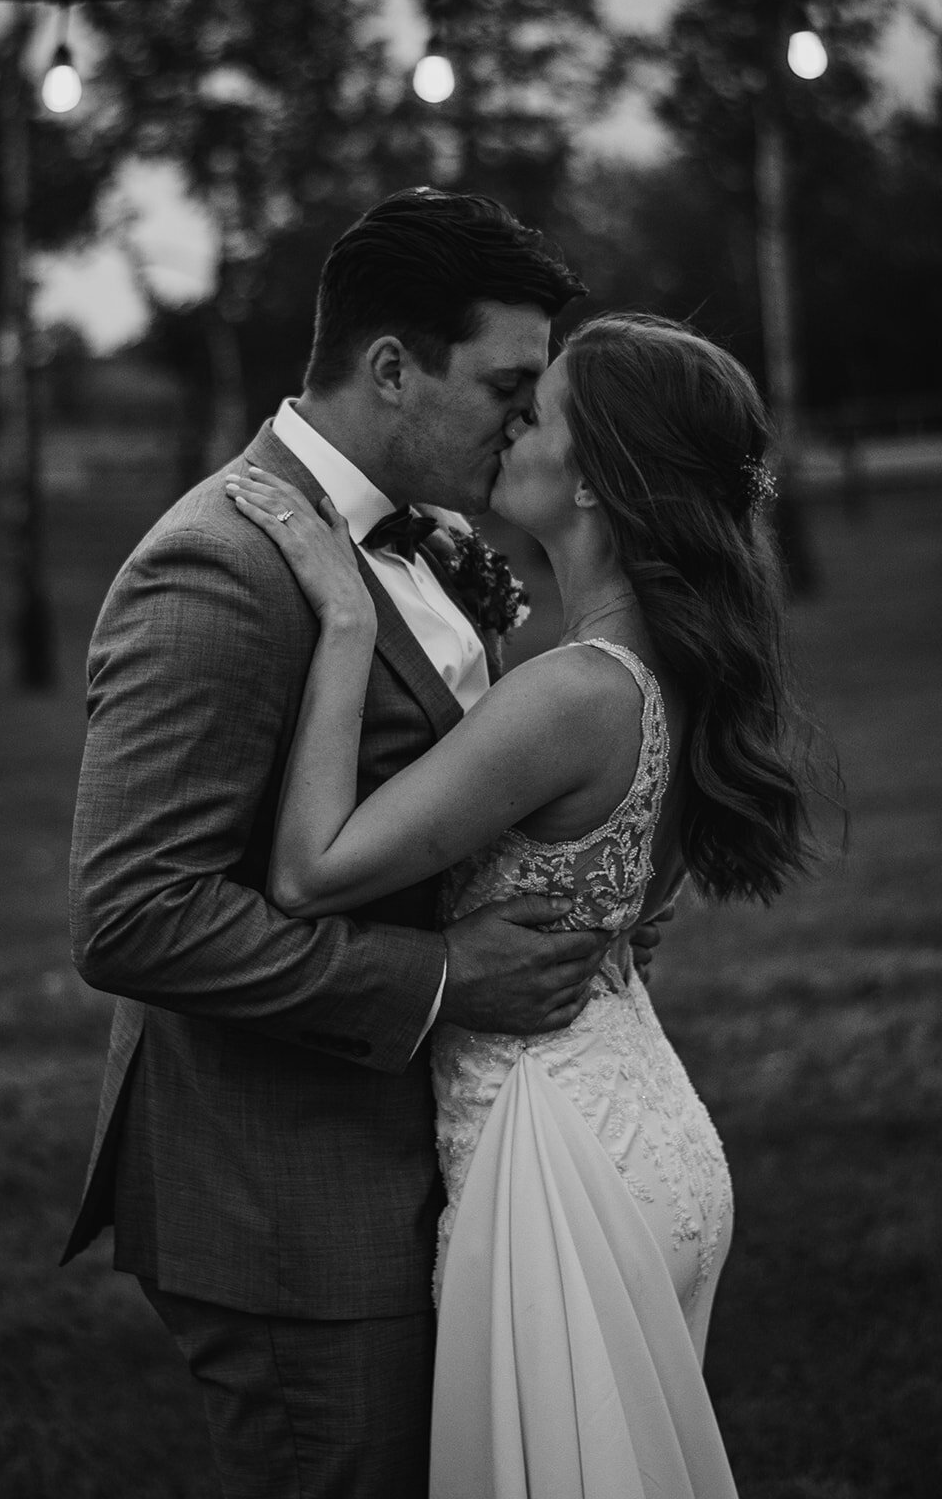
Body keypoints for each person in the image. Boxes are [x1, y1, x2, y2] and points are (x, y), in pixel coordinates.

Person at [61, 188, 670, 1499]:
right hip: (291, 1203)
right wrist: (449, 978)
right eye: (505, 384)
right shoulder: (216, 566)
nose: (524, 419)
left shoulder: (431, 534)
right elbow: (134, 916)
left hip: (436, 1166)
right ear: (390, 368)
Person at [224, 310, 819, 1498]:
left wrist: (344, 619)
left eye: (535, 410)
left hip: (558, 1167)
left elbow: (310, 871)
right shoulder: (670, 666)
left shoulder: (574, 694)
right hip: (648, 1132)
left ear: (594, 478)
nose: (509, 425)